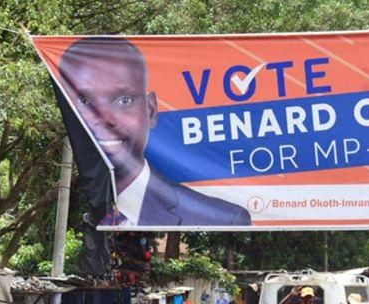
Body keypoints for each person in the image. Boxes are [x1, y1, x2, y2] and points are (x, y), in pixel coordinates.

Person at [56, 38, 250, 228]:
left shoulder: (222, 218)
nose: (105, 118)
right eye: (85, 102)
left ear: (150, 110)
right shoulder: (71, 202)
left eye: (124, 100)